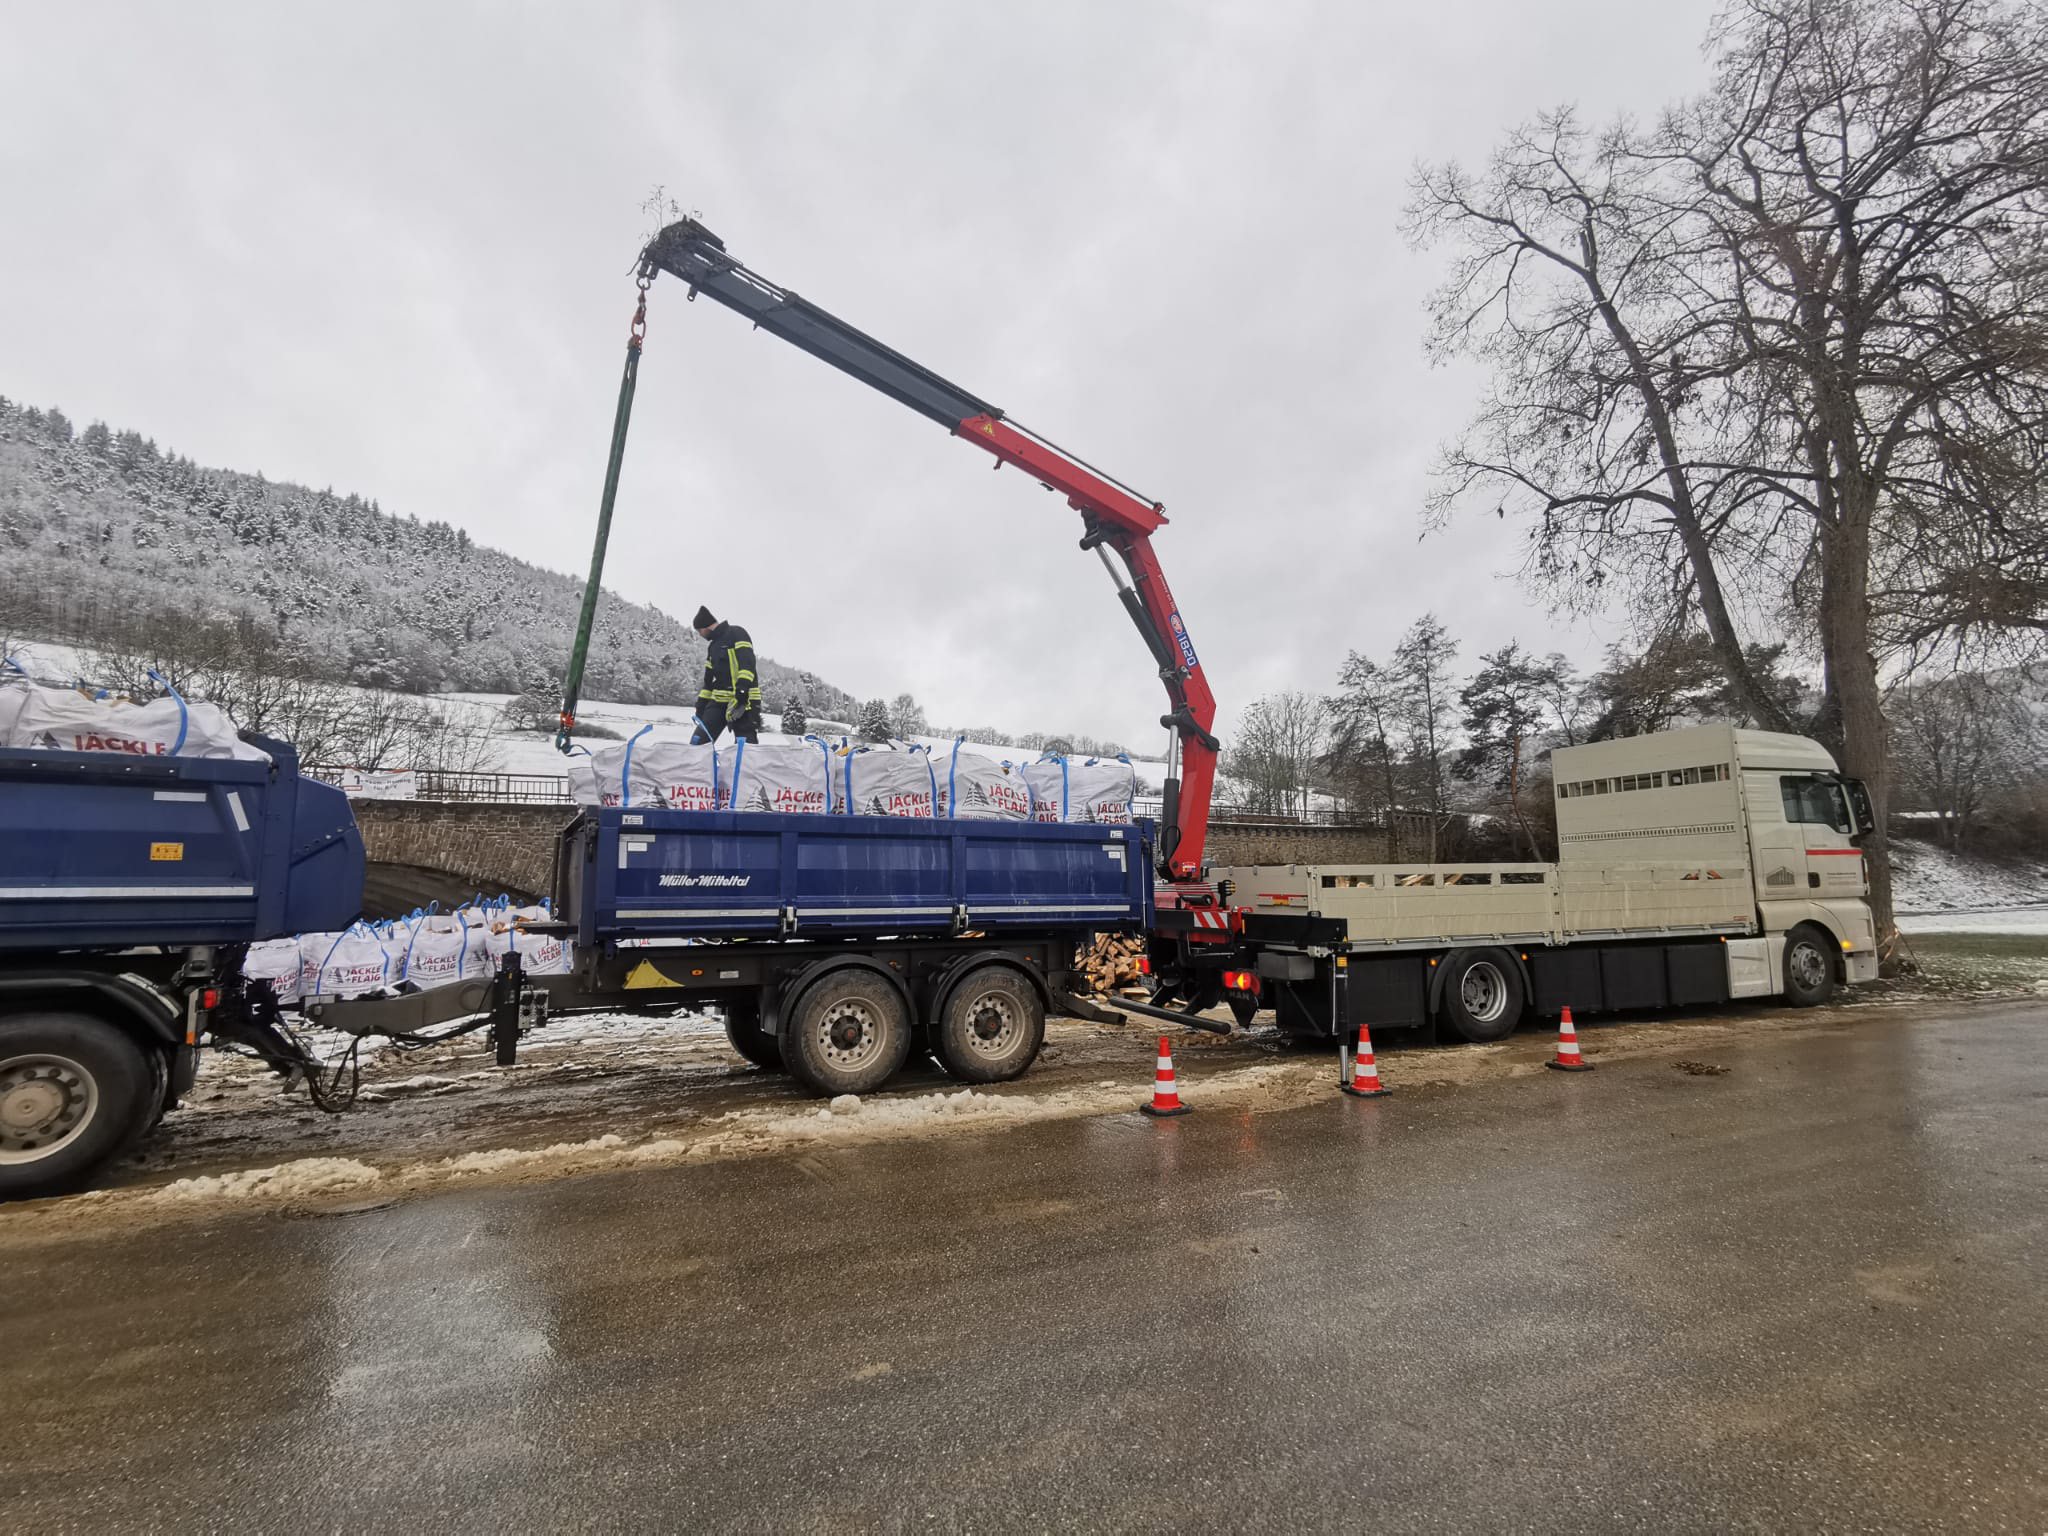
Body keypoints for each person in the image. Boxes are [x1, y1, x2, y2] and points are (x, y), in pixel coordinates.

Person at [690, 605, 762, 744]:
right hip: (719, 701)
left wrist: (742, 691)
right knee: (698, 741)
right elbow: (709, 681)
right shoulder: (713, 647)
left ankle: (745, 765)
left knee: (745, 747)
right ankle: (696, 764)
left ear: (705, 627)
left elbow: (747, 663)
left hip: (744, 701)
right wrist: (702, 704)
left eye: (699, 631)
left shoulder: (737, 633)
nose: (700, 635)